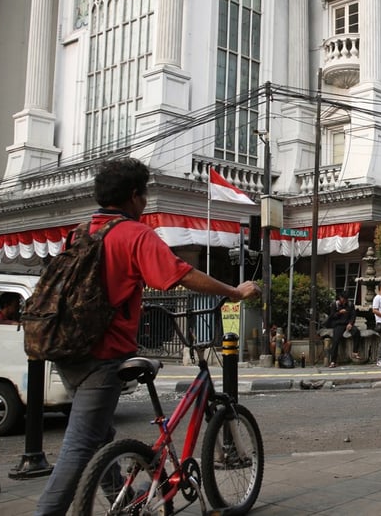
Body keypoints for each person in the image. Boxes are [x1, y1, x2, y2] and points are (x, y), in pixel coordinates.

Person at [35, 158, 261, 516]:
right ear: (134, 196)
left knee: (99, 436)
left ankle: (127, 499)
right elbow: (181, 274)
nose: (144, 202)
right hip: (104, 355)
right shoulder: (134, 234)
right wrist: (234, 291)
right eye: (143, 195)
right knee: (80, 445)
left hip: (67, 349)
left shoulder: (79, 232)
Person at [326, 291, 358, 367]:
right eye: (343, 299)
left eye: (346, 299)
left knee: (356, 332)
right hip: (338, 324)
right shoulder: (335, 305)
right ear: (340, 298)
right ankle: (333, 361)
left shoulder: (350, 305)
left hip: (347, 324)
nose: (344, 301)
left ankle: (355, 352)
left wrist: (350, 323)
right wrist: (339, 312)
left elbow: (353, 316)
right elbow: (331, 316)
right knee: (336, 340)